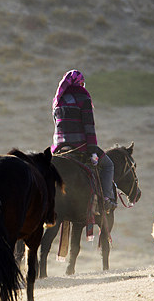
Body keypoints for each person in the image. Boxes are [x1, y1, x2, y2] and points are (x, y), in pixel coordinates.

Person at [50, 69, 116, 209]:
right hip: (79, 145)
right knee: (108, 165)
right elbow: (89, 127)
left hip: (58, 148)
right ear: (79, 83)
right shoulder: (83, 97)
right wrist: (92, 151)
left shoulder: (58, 99)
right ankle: (105, 200)